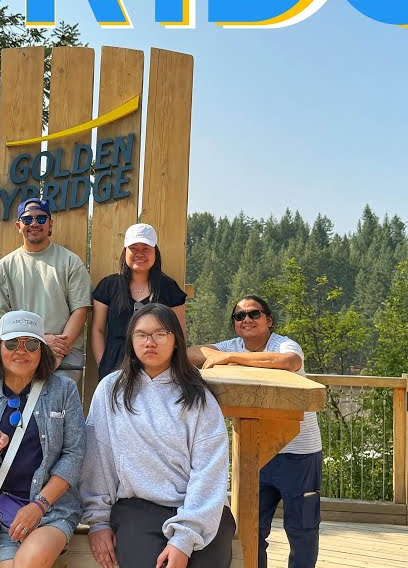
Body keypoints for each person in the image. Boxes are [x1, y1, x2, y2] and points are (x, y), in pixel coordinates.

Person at [82, 304, 236, 568]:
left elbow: (209, 469)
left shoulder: (198, 396)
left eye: (160, 334)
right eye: (141, 335)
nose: (150, 342)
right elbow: (98, 459)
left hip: (201, 511)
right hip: (138, 508)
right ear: (131, 341)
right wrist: (98, 521)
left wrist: (185, 537)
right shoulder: (111, 390)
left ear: (176, 340)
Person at [188, 296, 322, 568]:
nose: (246, 319)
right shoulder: (233, 345)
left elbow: (288, 361)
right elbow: (190, 352)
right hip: (254, 452)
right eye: (239, 316)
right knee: (253, 529)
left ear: (269, 320)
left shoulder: (284, 343)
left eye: (254, 314)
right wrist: (222, 355)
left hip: (299, 453)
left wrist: (231, 359)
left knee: (302, 530)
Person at [0, 311, 86, 568]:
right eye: (11, 343)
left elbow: (74, 454)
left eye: (31, 344)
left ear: (42, 351)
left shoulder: (63, 390)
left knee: (29, 563)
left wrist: (39, 505)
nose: (21, 351)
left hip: (51, 508)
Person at [0, 198, 93, 386]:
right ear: (18, 225)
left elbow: (81, 311)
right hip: (19, 353)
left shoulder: (71, 262)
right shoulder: (5, 266)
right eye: (27, 219)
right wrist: (36, 343)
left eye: (41, 219)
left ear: (50, 224)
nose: (34, 223)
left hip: (63, 355)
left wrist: (57, 350)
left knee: (57, 412)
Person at [89, 223, 188, 380]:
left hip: (158, 368)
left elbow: (180, 331)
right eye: (133, 248)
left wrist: (173, 365)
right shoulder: (109, 286)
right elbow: (98, 330)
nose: (139, 253)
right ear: (125, 252)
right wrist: (102, 363)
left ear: (155, 253)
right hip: (114, 368)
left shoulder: (169, 288)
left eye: (146, 249)